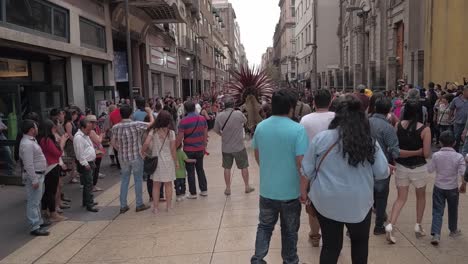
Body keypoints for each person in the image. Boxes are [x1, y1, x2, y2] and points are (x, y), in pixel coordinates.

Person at [301, 95, 388, 264]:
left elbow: (307, 170)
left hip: (327, 202)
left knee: (331, 247)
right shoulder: (369, 141)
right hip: (359, 203)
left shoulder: (321, 138)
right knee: (360, 244)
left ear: (337, 115)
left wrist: (303, 192)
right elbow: (382, 173)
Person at [250, 89, 308, 264]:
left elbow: (257, 155)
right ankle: (290, 260)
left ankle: (258, 259)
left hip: (267, 190)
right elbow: (301, 164)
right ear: (291, 107)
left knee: (265, 226)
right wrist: (304, 190)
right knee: (290, 231)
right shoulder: (298, 130)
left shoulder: (261, 127)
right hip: (291, 192)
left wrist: (270, 170)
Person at [386, 100, 432, 244]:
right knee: (421, 197)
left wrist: (404, 153)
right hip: (419, 168)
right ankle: (418, 225)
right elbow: (426, 153)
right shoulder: (425, 129)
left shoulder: (397, 125)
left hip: (401, 167)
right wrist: (417, 151)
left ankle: (390, 224)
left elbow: (395, 149)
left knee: (400, 198)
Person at [299, 89, 335, 247]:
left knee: (312, 204)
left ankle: (315, 236)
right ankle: (332, 237)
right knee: (334, 204)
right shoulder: (337, 118)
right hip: (334, 167)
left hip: (312, 168)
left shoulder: (305, 120)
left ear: (313, 102)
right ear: (330, 102)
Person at [111, 105, 154, 213]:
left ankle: (123, 205)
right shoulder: (136, 124)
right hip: (136, 156)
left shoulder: (115, 127)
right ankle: (139, 204)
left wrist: (119, 149)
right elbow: (151, 124)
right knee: (138, 179)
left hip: (123, 157)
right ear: (130, 114)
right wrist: (149, 113)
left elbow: (113, 142)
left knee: (124, 180)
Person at [368, 94, 400, 235]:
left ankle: (355, 227)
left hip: (365, 165)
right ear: (389, 110)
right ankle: (379, 225)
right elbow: (395, 151)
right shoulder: (388, 128)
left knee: (365, 196)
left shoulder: (365, 122)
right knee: (381, 196)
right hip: (382, 166)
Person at [427, 131, 465, 245]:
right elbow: (463, 172)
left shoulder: (436, 155)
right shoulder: (459, 157)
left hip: (439, 186)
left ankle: (436, 234)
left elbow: (430, 169)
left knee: (437, 210)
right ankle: (453, 230)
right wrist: (463, 184)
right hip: (453, 187)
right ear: (454, 143)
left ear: (440, 142)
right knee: (453, 209)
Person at [213, 96, 255, 196]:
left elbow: (216, 130)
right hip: (239, 146)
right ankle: (247, 186)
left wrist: (222, 135)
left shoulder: (219, 116)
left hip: (226, 147)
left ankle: (228, 188)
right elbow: (245, 121)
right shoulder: (238, 114)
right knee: (244, 166)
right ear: (233, 105)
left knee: (227, 167)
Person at [141, 111, 177, 213]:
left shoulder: (153, 131)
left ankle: (155, 208)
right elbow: (173, 149)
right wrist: (176, 162)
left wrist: (142, 151)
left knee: (156, 185)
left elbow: (146, 143)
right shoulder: (171, 133)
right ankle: (169, 207)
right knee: (168, 184)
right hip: (168, 161)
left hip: (156, 162)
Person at [20, 120, 51, 236]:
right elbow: (28, 164)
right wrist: (34, 179)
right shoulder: (27, 144)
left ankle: (39, 221)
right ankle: (34, 226)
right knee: (33, 201)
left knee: (36, 200)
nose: (37, 129)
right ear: (31, 130)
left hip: (39, 174)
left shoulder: (31, 141)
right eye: (36, 127)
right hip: (35, 175)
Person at [176, 101, 208, 199]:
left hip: (188, 149)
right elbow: (205, 134)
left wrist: (174, 148)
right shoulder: (202, 119)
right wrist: (204, 146)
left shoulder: (183, 121)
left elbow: (180, 137)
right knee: (200, 169)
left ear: (185, 109)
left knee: (190, 171)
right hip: (200, 148)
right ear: (194, 108)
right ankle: (204, 190)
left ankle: (193, 193)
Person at [38, 119, 68, 222]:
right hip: (51, 166)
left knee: (48, 191)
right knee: (51, 191)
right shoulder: (47, 140)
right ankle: (52, 213)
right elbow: (58, 153)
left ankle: (45, 210)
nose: (55, 129)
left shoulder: (42, 139)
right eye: (54, 127)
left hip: (49, 166)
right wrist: (63, 142)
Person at [74, 119, 99, 212]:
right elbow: (79, 153)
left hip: (89, 161)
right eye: (88, 130)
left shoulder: (85, 135)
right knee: (88, 183)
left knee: (87, 183)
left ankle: (86, 201)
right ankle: (90, 203)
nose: (89, 132)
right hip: (85, 163)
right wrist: (85, 164)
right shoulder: (79, 137)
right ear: (82, 128)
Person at [86, 115, 105, 192]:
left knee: (93, 170)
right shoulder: (92, 132)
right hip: (96, 153)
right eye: (94, 123)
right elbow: (98, 141)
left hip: (93, 153)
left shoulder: (87, 131)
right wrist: (101, 135)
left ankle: (91, 185)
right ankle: (93, 186)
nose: (95, 124)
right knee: (95, 169)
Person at [449, 85, 468, 151]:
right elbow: (451, 109)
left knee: (466, 141)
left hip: (467, 124)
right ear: (463, 91)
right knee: (456, 139)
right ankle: (455, 153)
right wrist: (450, 117)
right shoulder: (456, 99)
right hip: (458, 123)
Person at [63, 109, 79, 183]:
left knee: (74, 160)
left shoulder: (72, 122)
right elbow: (69, 135)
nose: (76, 116)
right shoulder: (68, 124)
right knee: (72, 160)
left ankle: (74, 174)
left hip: (73, 142)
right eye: (75, 114)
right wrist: (75, 141)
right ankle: (72, 176)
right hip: (70, 144)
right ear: (71, 115)